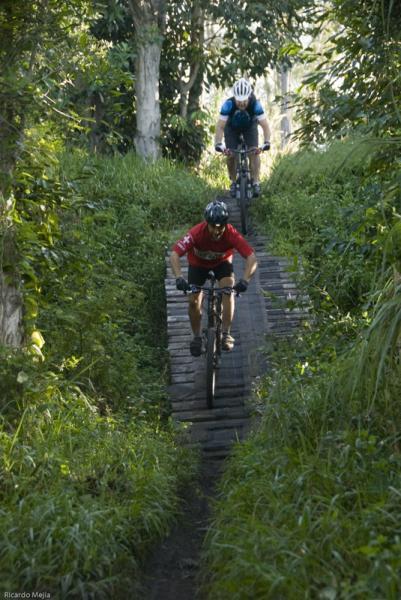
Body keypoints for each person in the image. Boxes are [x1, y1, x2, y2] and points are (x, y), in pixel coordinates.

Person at [170, 199, 258, 357]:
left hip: (222, 263)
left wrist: (245, 280)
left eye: (220, 228)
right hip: (198, 265)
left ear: (225, 224)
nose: (216, 232)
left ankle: (226, 333)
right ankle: (197, 337)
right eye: (212, 227)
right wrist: (178, 278)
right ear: (207, 223)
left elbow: (251, 258)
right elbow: (175, 254)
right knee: (193, 301)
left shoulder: (231, 234)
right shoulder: (196, 233)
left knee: (228, 290)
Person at [214, 78, 271, 198]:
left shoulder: (255, 105)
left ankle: (255, 182)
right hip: (232, 128)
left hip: (250, 127)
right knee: (230, 154)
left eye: (244, 100)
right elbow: (220, 127)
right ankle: (233, 182)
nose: (241, 104)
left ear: (249, 97)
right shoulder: (228, 105)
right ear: (234, 97)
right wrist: (218, 144)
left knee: (254, 152)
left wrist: (266, 142)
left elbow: (265, 126)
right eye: (239, 101)